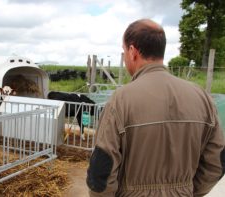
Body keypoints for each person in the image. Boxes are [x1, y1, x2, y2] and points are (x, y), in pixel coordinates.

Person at [86, 19, 225, 196]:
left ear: (132, 51)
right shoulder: (203, 98)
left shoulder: (121, 100)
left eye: (123, 50)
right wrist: (186, 190)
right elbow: (217, 162)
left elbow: (100, 173)